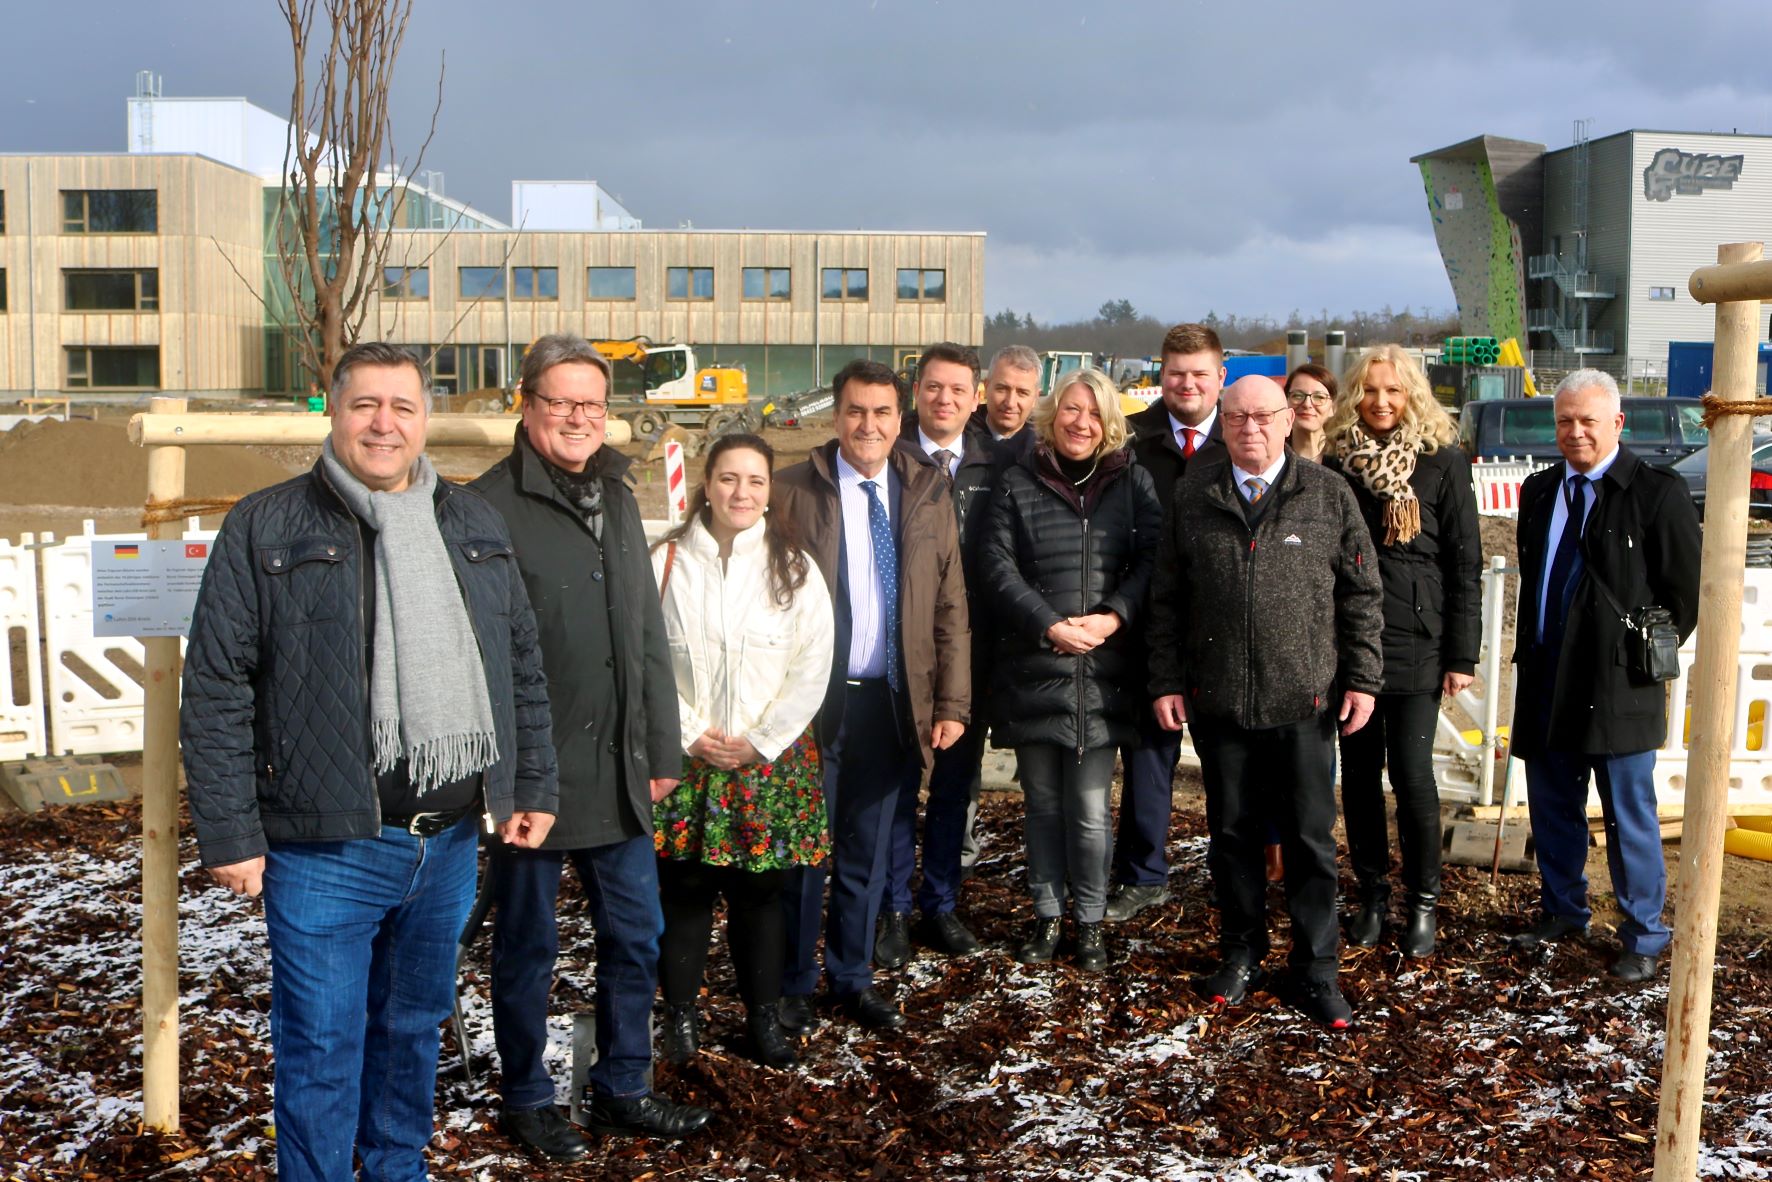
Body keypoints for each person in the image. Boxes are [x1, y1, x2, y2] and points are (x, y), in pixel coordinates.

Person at [180, 341, 559, 1182]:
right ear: (333, 410)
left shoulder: (470, 522)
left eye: (403, 407)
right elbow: (215, 687)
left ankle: (395, 1170)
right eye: (365, 405)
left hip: (451, 842)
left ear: (424, 420)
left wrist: (528, 781)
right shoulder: (267, 523)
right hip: (326, 847)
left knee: (411, 1033)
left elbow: (519, 664)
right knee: (321, 1046)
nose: (384, 425)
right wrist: (230, 831)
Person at [471, 334, 709, 1160]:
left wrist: (662, 748)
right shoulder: (485, 506)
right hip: (534, 774)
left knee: (635, 935)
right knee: (529, 945)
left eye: (592, 405)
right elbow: (478, 658)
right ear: (526, 405)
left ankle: (623, 1088)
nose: (577, 418)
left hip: (618, 769)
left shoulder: (617, 493)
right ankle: (530, 1097)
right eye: (560, 402)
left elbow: (645, 630)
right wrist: (500, 779)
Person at [1148, 375, 1383, 1029]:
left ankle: (1316, 969)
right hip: (1221, 702)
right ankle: (1241, 953)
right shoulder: (1194, 495)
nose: (1250, 428)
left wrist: (1362, 679)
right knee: (1232, 838)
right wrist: (1166, 679)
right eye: (1236, 417)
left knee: (1310, 841)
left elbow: (1362, 595)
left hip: (1304, 701)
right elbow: (1167, 597)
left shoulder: (1328, 495)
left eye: (1263, 416)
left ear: (1289, 421)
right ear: (1222, 424)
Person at [772, 358, 970, 1033]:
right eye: (856, 411)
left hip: (892, 703)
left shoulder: (925, 490)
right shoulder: (793, 489)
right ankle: (794, 981)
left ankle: (852, 976)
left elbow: (950, 602)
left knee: (867, 853)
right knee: (805, 853)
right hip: (812, 709)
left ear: (900, 417)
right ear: (836, 416)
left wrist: (952, 703)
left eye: (883, 412)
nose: (869, 425)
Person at [1508, 369, 1700, 984]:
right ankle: (1564, 911)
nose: (1575, 432)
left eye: (1589, 420)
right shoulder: (1538, 492)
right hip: (1545, 681)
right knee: (1552, 807)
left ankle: (1644, 933)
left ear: (1618, 423)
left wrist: (1628, 656)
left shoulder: (1654, 492)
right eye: (1565, 420)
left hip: (1618, 689)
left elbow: (1682, 598)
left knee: (1629, 816)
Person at [650, 434, 834, 1070]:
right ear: (706, 483)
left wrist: (760, 740)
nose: (741, 493)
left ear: (769, 491)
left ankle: (763, 1016)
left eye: (755, 481)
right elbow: (646, 660)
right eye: (729, 479)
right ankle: (679, 1018)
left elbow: (813, 666)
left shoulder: (795, 569)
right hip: (691, 761)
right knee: (685, 894)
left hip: (768, 765)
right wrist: (688, 731)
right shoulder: (667, 562)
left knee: (762, 898)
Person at [980, 368, 1162, 971]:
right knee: (1042, 805)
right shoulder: (1017, 482)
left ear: (1108, 422)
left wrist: (1111, 619)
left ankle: (1089, 922)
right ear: (1052, 414)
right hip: (1037, 665)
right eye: (1070, 410)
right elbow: (998, 565)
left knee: (1088, 810)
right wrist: (1048, 624)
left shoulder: (1132, 484)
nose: (1080, 423)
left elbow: (1151, 561)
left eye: (1093, 413)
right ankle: (1046, 915)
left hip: (1104, 672)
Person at [1323, 346, 1481, 957]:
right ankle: (1372, 896)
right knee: (1359, 777)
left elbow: (1464, 563)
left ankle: (1422, 903)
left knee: (1413, 777)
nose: (1381, 402)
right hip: (1352, 645)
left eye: (1393, 391)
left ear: (1411, 393)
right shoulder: (1336, 464)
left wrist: (1461, 654)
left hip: (1418, 642)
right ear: (1354, 397)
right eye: (1369, 391)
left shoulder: (1442, 462)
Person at [881, 343, 999, 964]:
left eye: (957, 389)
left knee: (955, 785)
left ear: (975, 396)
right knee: (898, 786)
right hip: (899, 654)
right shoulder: (886, 459)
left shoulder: (996, 463)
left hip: (968, 654)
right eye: (933, 387)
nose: (944, 399)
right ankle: (893, 907)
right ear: (915, 391)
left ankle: (941, 903)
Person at [1111, 322, 1227, 923]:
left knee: (1229, 760)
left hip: (1223, 628)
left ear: (1219, 378)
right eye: (1176, 373)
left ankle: (1233, 872)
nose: (1186, 385)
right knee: (1149, 755)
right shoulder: (1130, 441)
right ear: (1162, 375)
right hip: (1148, 625)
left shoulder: (1240, 439)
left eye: (1199, 374)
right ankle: (1142, 873)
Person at [977, 344, 1041, 447]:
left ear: (1035, 397)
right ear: (986, 387)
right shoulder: (956, 437)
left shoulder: (1047, 455)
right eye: (1002, 389)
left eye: (1022, 393)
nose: (1010, 403)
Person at [1285, 362, 1337, 462]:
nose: (1307, 404)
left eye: (1319, 397)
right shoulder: (1273, 458)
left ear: (1333, 408)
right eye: (1297, 396)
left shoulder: (1345, 460)